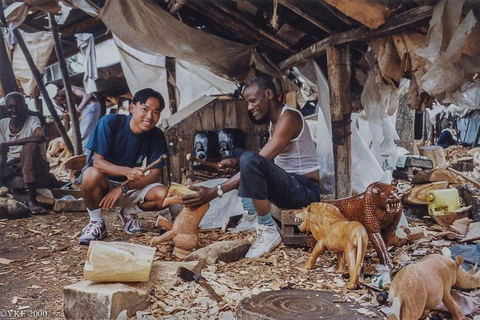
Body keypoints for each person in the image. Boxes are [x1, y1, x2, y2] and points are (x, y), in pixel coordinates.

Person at [183, 76, 321, 258]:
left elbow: (259, 160)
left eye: (253, 101)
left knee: (248, 160)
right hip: (291, 184)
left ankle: (267, 227)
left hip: (305, 189)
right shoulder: (275, 122)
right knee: (243, 158)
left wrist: (214, 191)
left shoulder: (290, 118)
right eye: (248, 103)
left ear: (269, 94)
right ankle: (251, 213)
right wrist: (236, 162)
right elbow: (266, 160)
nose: (249, 108)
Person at [79, 88, 169, 245]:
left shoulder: (156, 135)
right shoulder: (110, 123)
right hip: (104, 182)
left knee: (164, 195)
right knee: (90, 174)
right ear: (132, 108)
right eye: (145, 109)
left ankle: (128, 213)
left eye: (156, 112)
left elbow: (155, 174)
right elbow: (98, 162)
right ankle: (96, 222)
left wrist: (122, 188)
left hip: (130, 185)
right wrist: (127, 171)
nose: (150, 116)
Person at [0, 92, 49, 215]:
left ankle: (32, 200)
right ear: (6, 109)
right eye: (10, 107)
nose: (14, 110)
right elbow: (3, 152)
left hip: (34, 164)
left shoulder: (33, 120)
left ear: (25, 107)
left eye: (18, 106)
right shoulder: (2, 124)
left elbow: (40, 137)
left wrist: (11, 143)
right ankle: (19, 195)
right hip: (12, 165)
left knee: (30, 147)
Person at [55, 85, 100, 153]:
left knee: (84, 133)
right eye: (56, 97)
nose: (59, 96)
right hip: (84, 110)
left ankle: (85, 155)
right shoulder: (58, 101)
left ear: (59, 90)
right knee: (81, 133)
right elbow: (65, 110)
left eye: (58, 94)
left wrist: (78, 110)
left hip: (90, 107)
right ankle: (86, 154)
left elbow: (87, 96)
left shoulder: (69, 88)